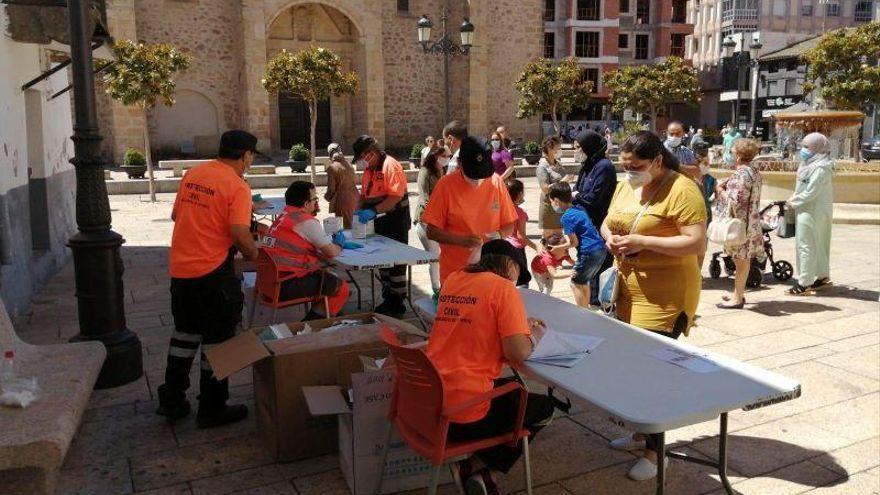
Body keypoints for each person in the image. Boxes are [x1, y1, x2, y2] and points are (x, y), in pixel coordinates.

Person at [601, 131, 707, 480]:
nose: (630, 172)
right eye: (625, 166)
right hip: (627, 288)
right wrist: (611, 239)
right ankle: (639, 431)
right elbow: (608, 220)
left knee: (650, 372)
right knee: (629, 365)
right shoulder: (625, 185)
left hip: (666, 294)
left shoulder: (683, 189)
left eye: (637, 166)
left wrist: (642, 240)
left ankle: (656, 452)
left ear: (658, 161)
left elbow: (694, 242)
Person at [427, 239, 555, 494]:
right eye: (518, 272)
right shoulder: (503, 289)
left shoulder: (454, 279)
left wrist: (517, 323)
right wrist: (531, 337)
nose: (517, 282)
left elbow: (474, 318)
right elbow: (517, 353)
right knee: (544, 407)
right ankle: (486, 472)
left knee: (514, 388)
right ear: (509, 265)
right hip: (464, 413)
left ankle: (469, 467)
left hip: (430, 400)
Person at [157, 130, 260, 428]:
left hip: (181, 270)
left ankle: (172, 399)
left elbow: (178, 216)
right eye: (251, 157)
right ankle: (212, 407)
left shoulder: (193, 174)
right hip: (214, 273)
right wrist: (252, 252)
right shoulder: (237, 186)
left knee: (184, 335)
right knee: (218, 342)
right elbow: (240, 234)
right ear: (245, 155)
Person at [423, 136, 519, 284]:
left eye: (482, 174)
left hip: (491, 274)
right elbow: (431, 231)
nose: (478, 180)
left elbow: (509, 225)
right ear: (460, 164)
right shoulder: (446, 185)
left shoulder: (496, 181)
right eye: (473, 174)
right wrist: (461, 241)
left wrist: (498, 235)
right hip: (455, 275)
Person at [263, 181, 352, 319]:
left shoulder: (283, 217)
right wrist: (339, 245)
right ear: (306, 204)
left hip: (268, 283)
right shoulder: (305, 222)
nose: (316, 203)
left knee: (325, 279)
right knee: (341, 288)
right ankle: (310, 326)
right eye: (315, 199)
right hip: (285, 284)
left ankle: (328, 314)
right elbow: (332, 252)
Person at [352, 135, 411, 317]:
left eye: (363, 157)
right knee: (383, 262)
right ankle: (388, 299)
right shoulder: (370, 169)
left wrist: (373, 211)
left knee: (396, 263)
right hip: (379, 222)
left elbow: (394, 197)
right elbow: (364, 195)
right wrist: (357, 210)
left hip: (395, 221)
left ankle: (398, 303)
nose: (363, 161)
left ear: (371, 152)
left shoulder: (390, 165)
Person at [714, 139, 763, 309]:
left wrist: (721, 191)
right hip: (751, 224)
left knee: (740, 262)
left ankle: (738, 298)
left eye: (732, 151)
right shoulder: (754, 172)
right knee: (743, 261)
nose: (731, 154)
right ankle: (737, 294)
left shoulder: (741, 174)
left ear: (739, 155)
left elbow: (736, 200)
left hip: (739, 227)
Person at [571, 129, 617, 306]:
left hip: (598, 225)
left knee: (599, 266)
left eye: (578, 147)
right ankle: (589, 299)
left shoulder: (604, 167)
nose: (576, 151)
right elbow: (579, 191)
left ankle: (600, 302)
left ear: (588, 147)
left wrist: (576, 196)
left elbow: (593, 197)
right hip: (584, 225)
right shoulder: (587, 165)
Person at [787, 132, 834, 295]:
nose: (803, 150)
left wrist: (793, 202)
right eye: (803, 146)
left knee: (805, 244)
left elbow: (811, 192)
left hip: (813, 210)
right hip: (808, 208)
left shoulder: (821, 168)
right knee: (818, 243)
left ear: (817, 147)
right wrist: (795, 199)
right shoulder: (809, 163)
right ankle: (822, 277)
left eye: (807, 147)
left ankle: (804, 284)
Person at [548, 182, 607, 308]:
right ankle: (587, 309)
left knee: (575, 283)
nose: (552, 204)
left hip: (588, 252)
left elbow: (574, 242)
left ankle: (582, 313)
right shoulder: (579, 208)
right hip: (600, 249)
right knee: (583, 281)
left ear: (556, 200)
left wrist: (558, 248)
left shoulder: (566, 217)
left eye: (551, 201)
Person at [415, 146, 448, 293]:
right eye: (445, 155)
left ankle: (445, 287)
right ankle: (436, 290)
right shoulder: (425, 172)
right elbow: (424, 197)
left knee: (444, 256)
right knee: (434, 258)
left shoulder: (442, 171)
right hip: (426, 220)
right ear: (436, 156)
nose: (447, 158)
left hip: (442, 219)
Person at [535, 136, 573, 239]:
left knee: (559, 234)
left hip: (560, 205)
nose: (559, 150)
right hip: (549, 205)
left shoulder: (558, 164)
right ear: (549, 149)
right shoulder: (542, 167)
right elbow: (545, 189)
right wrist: (562, 181)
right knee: (549, 234)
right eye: (558, 147)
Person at [504, 179, 539, 288]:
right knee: (522, 280)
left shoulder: (501, 209)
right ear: (519, 194)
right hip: (517, 250)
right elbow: (521, 236)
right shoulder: (520, 213)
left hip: (504, 246)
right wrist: (536, 247)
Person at [692, 142, 717, 270]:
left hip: (705, 215)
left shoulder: (711, 180)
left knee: (702, 247)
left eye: (706, 161)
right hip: (689, 216)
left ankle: (697, 272)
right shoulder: (687, 177)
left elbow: (714, 197)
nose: (703, 163)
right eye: (699, 159)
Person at [324, 143, 359, 229]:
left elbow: (331, 189)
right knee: (354, 225)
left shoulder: (332, 168)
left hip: (342, 200)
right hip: (355, 197)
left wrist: (327, 197)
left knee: (345, 227)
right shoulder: (350, 166)